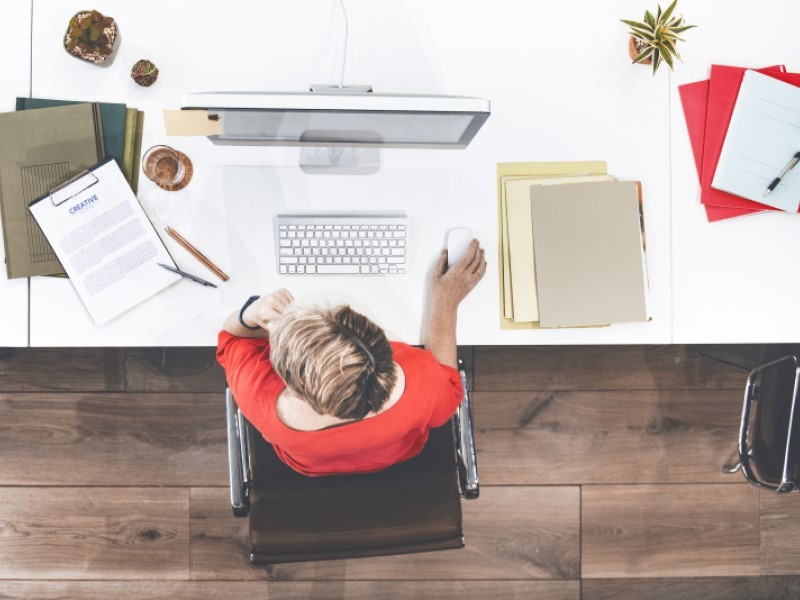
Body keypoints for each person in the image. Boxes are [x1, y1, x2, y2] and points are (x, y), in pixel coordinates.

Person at [217, 240, 486, 476]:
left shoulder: (257, 394)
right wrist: (446, 302)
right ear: (382, 346)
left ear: (287, 378)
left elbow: (232, 337)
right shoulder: (424, 384)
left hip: (310, 463)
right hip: (393, 453)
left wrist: (254, 310)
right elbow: (449, 392)